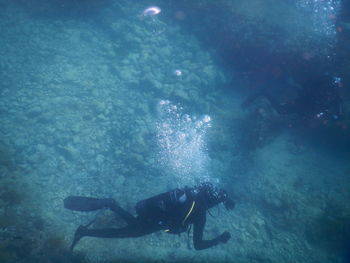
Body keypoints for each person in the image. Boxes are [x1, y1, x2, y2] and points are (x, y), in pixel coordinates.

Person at [64, 183, 235, 251]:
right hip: (156, 222)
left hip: (150, 211)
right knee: (123, 233)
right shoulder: (200, 214)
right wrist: (219, 240)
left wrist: (227, 199)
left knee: (132, 226)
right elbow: (198, 245)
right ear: (212, 203)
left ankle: (111, 205)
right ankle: (83, 232)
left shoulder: (191, 193)